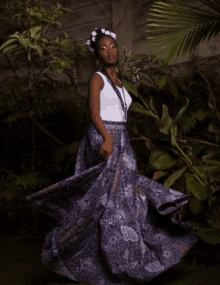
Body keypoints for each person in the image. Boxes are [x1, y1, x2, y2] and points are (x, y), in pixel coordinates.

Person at [26, 28, 198, 285]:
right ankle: (105, 262)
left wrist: (120, 140)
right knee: (109, 204)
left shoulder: (120, 81)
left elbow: (122, 114)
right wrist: (107, 139)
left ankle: (127, 262)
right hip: (105, 136)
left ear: (118, 49)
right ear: (97, 54)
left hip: (123, 140)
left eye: (112, 46)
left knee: (128, 200)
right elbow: (95, 113)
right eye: (103, 48)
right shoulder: (97, 78)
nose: (109, 51)